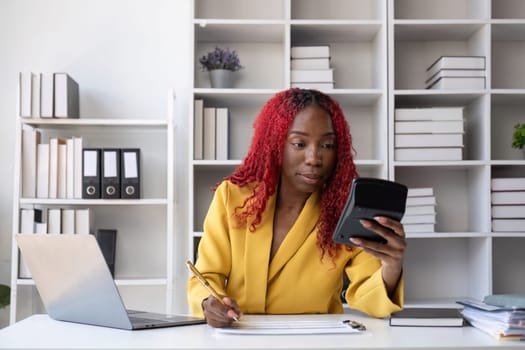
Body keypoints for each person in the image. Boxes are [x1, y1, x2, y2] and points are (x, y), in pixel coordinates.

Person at [187, 88, 406, 328]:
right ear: (275, 145)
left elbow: (369, 298)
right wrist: (210, 302)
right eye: (299, 143)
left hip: (317, 340)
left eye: (328, 145)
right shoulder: (233, 197)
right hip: (240, 335)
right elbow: (206, 276)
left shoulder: (346, 211)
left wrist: (391, 266)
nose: (314, 158)